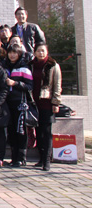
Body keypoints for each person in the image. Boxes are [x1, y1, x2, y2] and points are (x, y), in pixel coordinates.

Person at [30, 43, 62, 171]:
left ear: (47, 52)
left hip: (47, 103)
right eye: (38, 51)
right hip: (34, 102)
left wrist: (56, 102)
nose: (41, 53)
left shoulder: (53, 65)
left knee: (46, 132)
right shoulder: (31, 65)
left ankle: (47, 159)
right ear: (35, 52)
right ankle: (41, 158)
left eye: (43, 51)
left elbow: (57, 85)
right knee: (38, 131)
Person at [2, 44, 33, 167]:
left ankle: (21, 158)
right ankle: (13, 158)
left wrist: (15, 83)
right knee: (11, 131)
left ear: (19, 54)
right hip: (7, 102)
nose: (12, 55)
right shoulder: (4, 66)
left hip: (20, 103)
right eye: (10, 52)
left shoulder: (24, 68)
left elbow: (29, 86)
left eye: (15, 53)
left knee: (20, 130)